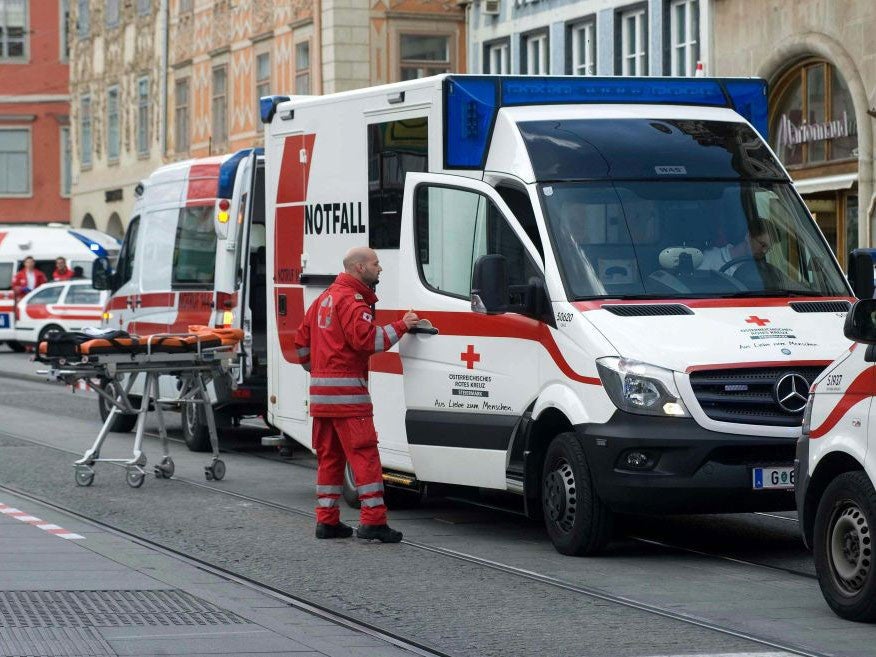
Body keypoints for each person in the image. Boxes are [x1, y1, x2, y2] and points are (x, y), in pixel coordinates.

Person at [294, 247, 418, 542]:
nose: (380, 269)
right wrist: (403, 326)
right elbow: (367, 339)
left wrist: (320, 371)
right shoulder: (353, 300)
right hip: (349, 397)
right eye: (376, 263)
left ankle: (327, 521)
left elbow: (300, 343)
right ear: (360, 267)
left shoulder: (323, 298)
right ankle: (373, 521)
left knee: (330, 459)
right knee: (364, 457)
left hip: (322, 399)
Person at [699, 218, 773, 273]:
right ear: (748, 236)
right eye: (762, 245)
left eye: (768, 249)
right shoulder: (710, 257)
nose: (764, 251)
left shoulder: (759, 272)